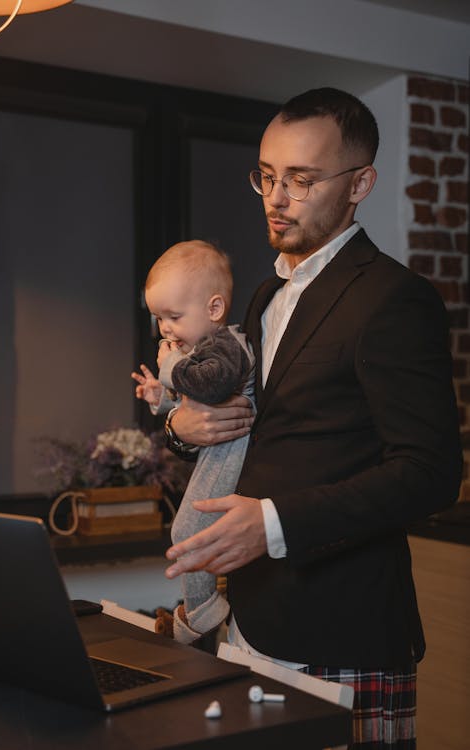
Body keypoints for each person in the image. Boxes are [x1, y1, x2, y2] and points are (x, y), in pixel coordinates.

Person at [161, 88, 462, 749]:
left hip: (342, 627)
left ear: (360, 184)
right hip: (253, 616)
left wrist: (271, 524)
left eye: (300, 180)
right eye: (267, 176)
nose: (276, 197)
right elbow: (254, 425)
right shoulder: (266, 292)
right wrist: (180, 431)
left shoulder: (394, 299)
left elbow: (432, 473)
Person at [132, 240, 255, 644]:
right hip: (214, 453)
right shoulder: (200, 349)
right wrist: (160, 397)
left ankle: (199, 619)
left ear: (214, 309)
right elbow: (192, 397)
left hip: (231, 452)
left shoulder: (226, 346)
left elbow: (211, 384)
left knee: (189, 533)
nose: (165, 329)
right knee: (187, 533)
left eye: (174, 316)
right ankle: (199, 613)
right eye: (158, 319)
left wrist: (169, 368)